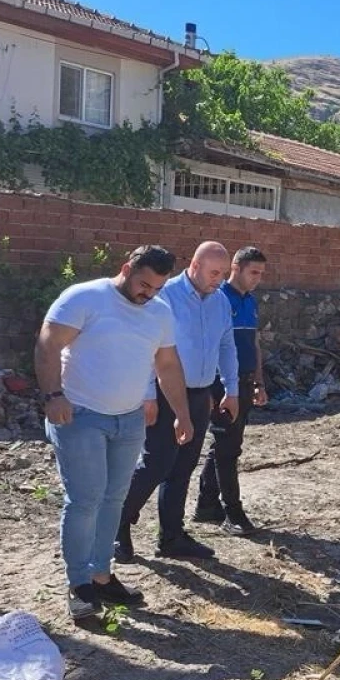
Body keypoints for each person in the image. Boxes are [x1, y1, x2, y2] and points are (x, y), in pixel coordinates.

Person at [35, 245, 194, 621]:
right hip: (80, 415)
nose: (148, 294)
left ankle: (101, 576)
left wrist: (183, 413)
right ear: (126, 269)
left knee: (114, 499)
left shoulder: (159, 312)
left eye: (157, 288)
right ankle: (79, 585)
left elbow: (168, 366)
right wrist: (53, 396)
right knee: (85, 499)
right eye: (144, 284)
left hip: (129, 419)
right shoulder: (85, 298)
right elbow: (48, 343)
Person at [116, 241, 240, 562]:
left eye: (224, 274)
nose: (219, 280)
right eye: (214, 273)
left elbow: (227, 344)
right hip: (164, 393)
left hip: (201, 394)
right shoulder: (165, 295)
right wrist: (146, 395)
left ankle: (171, 537)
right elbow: (145, 346)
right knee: (156, 463)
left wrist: (232, 389)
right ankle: (117, 526)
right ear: (195, 266)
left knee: (183, 467)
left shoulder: (220, 301)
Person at [194, 246, 268, 535]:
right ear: (235, 268)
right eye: (254, 273)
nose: (258, 279)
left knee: (226, 444)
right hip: (223, 383)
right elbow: (213, 345)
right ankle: (233, 513)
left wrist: (259, 382)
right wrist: (222, 386)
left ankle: (206, 504)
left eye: (261, 274)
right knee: (227, 447)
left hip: (245, 380)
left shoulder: (250, 302)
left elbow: (255, 345)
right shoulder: (218, 299)